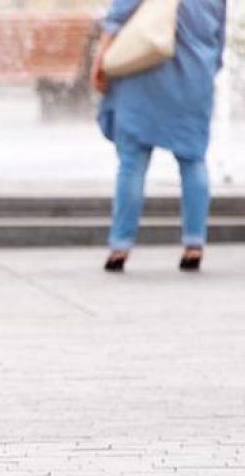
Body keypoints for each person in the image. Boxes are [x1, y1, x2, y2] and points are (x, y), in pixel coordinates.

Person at [91, 0, 226, 273]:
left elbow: (117, 18)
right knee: (193, 160)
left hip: (143, 73)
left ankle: (120, 246)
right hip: (194, 77)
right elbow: (218, 38)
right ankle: (194, 244)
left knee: (132, 164)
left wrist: (101, 61)